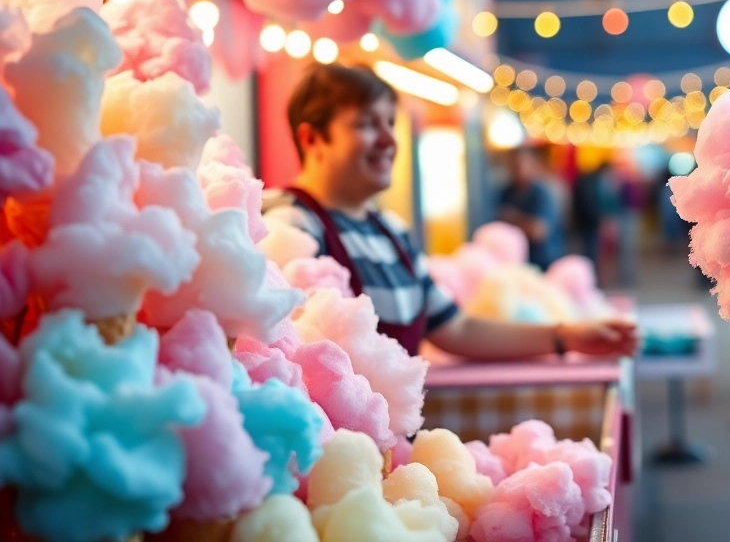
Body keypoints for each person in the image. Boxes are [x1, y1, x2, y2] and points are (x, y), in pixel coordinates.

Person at [264, 63, 636, 360]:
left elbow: (456, 329)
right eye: (365, 125)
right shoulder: (290, 225)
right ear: (311, 139)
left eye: (390, 123)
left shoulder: (391, 231)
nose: (389, 140)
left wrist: (564, 336)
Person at [498, 147, 565, 270]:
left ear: (531, 165)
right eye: (512, 165)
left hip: (543, 262)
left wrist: (513, 218)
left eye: (520, 165)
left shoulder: (542, 194)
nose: (516, 170)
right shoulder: (506, 193)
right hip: (517, 262)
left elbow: (539, 231)